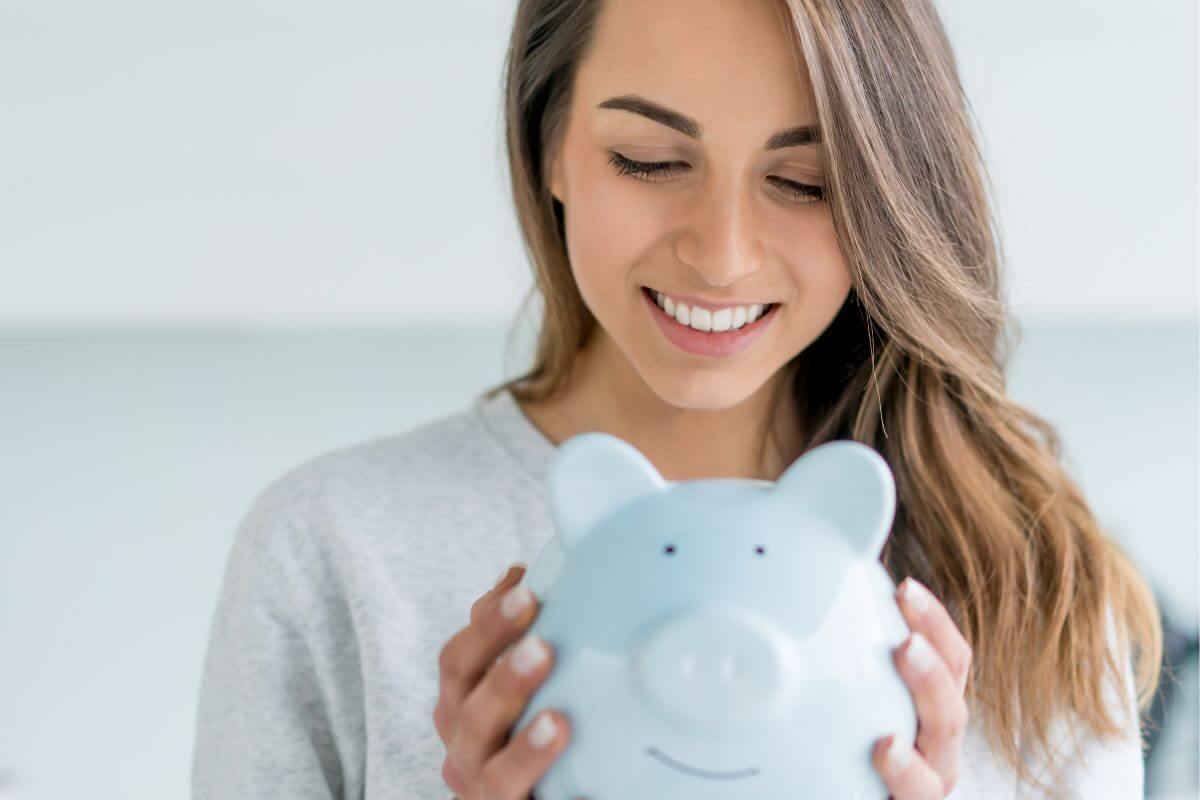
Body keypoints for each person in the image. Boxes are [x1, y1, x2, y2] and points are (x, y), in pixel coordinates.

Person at [190, 0, 1165, 798]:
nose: (722, 253)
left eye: (805, 179)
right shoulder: (336, 550)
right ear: (549, 146)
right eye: (651, 161)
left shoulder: (1028, 581)